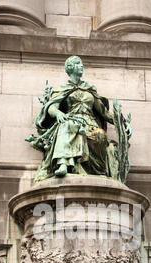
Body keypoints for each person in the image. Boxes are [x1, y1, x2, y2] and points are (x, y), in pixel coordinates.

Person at [27, 55, 131, 183]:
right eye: (78, 64)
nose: (82, 66)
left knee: (100, 135)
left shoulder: (89, 90)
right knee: (68, 125)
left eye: (81, 64)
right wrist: (58, 113)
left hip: (89, 124)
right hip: (70, 120)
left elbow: (105, 113)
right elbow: (51, 107)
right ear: (70, 68)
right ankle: (63, 163)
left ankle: (98, 170)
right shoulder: (62, 89)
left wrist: (122, 123)